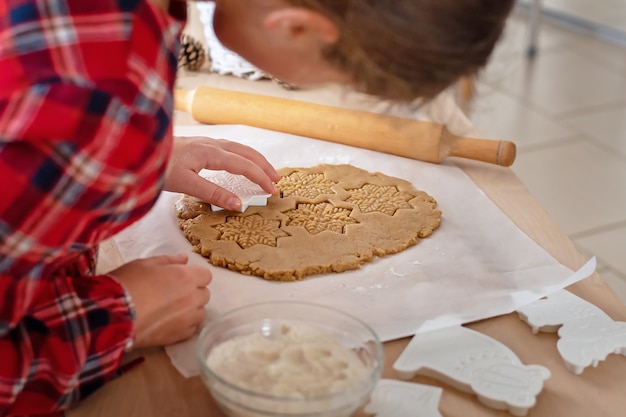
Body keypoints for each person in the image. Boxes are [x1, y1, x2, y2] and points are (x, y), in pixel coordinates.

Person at [0, 0, 514, 414]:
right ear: (293, 26)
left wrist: (140, 154)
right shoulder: (93, 97)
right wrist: (118, 319)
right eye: (335, 82)